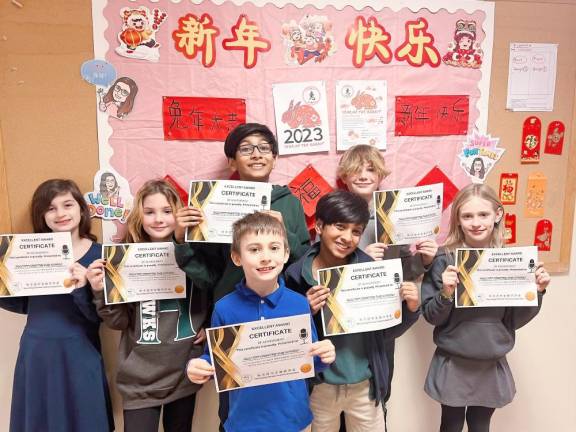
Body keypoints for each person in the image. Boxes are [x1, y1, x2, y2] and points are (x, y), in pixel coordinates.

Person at [174, 123, 310, 429]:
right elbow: (208, 274)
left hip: (281, 316)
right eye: (246, 148)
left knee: (283, 394)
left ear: (275, 158)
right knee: (233, 400)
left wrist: (283, 230)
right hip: (232, 314)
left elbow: (302, 262)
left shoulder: (289, 203)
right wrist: (181, 237)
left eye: (264, 148)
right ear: (233, 161)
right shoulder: (210, 202)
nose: (256, 154)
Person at [284, 191, 421, 431]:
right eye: (339, 226)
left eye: (356, 231)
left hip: (364, 384)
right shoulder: (295, 275)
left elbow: (385, 333)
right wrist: (305, 312)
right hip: (319, 386)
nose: (347, 237)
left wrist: (410, 309)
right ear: (319, 225)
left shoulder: (372, 271)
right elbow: (287, 341)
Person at [186, 212, 335, 432]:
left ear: (286, 254)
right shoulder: (225, 308)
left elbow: (309, 360)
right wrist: (198, 366)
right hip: (243, 422)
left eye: (274, 248)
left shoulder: (299, 304)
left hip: (294, 421)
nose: (265, 257)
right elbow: (215, 361)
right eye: (254, 249)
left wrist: (325, 356)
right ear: (237, 257)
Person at [421, 184, 551, 432]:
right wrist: (446, 293)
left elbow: (514, 319)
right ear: (457, 219)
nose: (476, 223)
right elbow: (431, 316)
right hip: (453, 360)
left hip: (490, 360)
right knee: (450, 425)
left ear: (498, 215)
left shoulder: (512, 262)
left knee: (481, 425)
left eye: (483, 214)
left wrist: (537, 291)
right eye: (467, 216)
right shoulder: (444, 260)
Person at [87, 180, 209, 432]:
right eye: (149, 212)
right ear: (139, 217)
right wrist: (100, 292)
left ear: (179, 214)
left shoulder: (195, 256)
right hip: (139, 378)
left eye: (167, 211)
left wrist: (209, 326)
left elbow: (214, 292)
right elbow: (119, 322)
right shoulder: (125, 259)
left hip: (183, 371)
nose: (159, 219)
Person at [0, 179, 114, 432]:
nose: (60, 214)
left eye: (67, 205)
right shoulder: (26, 252)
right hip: (37, 351)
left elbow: (102, 318)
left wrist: (82, 287)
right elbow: (17, 302)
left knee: (85, 420)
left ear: (82, 210)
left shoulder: (101, 255)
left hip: (80, 349)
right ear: (41, 215)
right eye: (50, 208)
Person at [336, 144, 438, 426]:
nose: (364, 175)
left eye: (371, 169)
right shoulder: (335, 214)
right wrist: (360, 260)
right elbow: (322, 267)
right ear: (344, 176)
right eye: (356, 169)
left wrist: (425, 260)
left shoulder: (392, 214)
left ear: (381, 175)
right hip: (345, 317)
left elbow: (407, 267)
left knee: (379, 392)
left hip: (383, 317)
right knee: (339, 393)